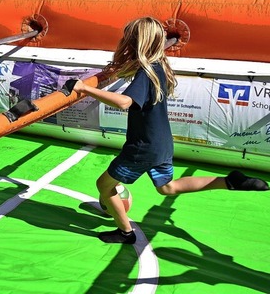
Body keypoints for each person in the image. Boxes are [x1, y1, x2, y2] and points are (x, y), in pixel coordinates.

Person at [64, 17, 268, 245]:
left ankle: (125, 232)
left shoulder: (145, 72)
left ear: (137, 43)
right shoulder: (159, 66)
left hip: (142, 147)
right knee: (167, 187)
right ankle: (228, 181)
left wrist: (84, 89)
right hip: (161, 143)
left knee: (104, 185)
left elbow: (124, 102)